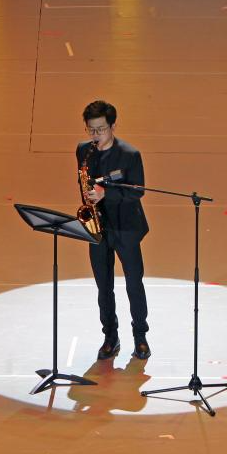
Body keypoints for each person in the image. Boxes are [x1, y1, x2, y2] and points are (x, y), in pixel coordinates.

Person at [76, 100, 151, 360]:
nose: (96, 135)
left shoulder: (130, 155)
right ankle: (110, 336)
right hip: (98, 229)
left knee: (134, 284)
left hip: (126, 227)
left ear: (113, 126)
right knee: (104, 287)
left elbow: (137, 192)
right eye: (91, 130)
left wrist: (106, 194)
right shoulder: (83, 151)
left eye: (101, 129)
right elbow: (83, 182)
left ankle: (140, 336)